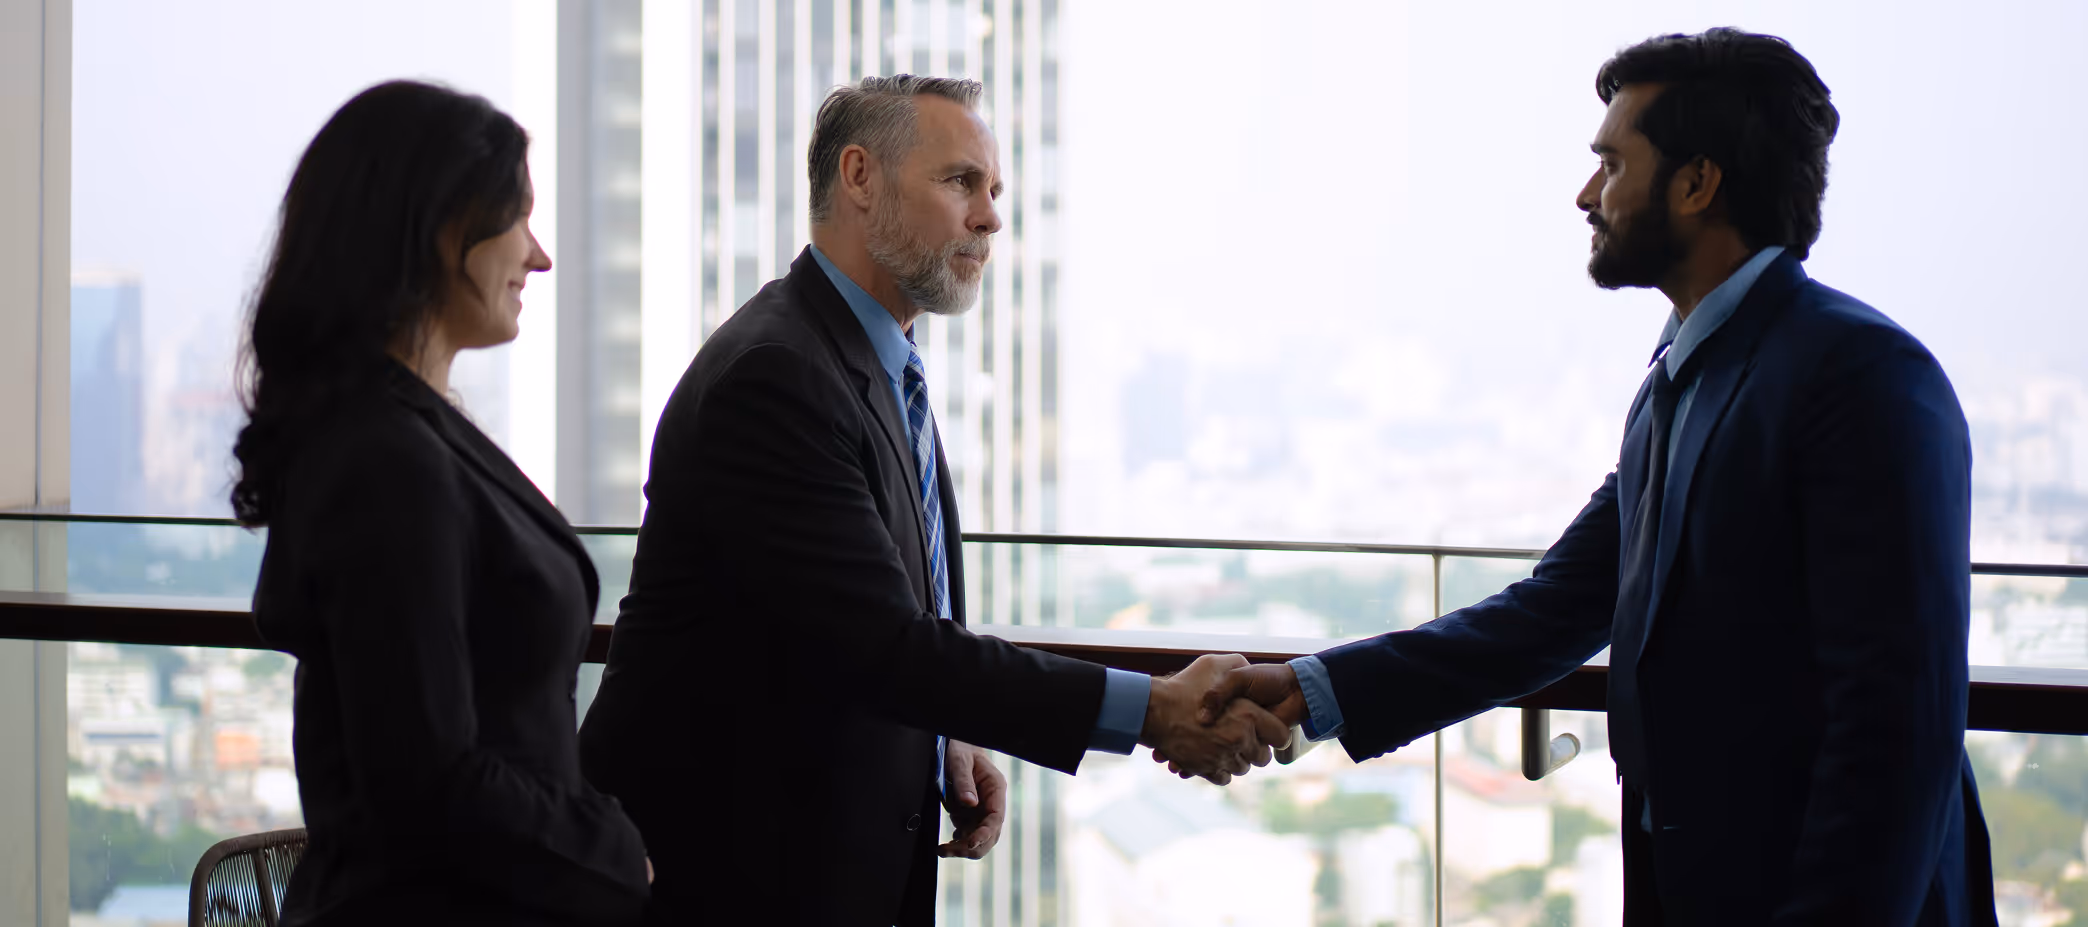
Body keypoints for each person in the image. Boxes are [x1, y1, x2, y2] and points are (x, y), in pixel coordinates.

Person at [1192, 29, 1997, 926]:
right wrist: (1313, 689)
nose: (1586, 194)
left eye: (1612, 164)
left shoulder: (1864, 375)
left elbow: (1896, 731)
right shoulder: (1677, 381)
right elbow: (1553, 611)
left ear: (1697, 184)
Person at [576, 75, 1284, 926]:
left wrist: (947, 736)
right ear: (860, 177)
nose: (989, 218)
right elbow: (885, 648)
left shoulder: (874, 362)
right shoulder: (777, 376)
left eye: (994, 192)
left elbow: (854, 623)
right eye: (961, 184)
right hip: (730, 874)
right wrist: (1153, 707)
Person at [235, 81, 651, 926]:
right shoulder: (388, 459)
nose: (538, 257)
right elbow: (428, 775)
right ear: (442, 230)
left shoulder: (399, 429)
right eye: (520, 219)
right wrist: (612, 851)